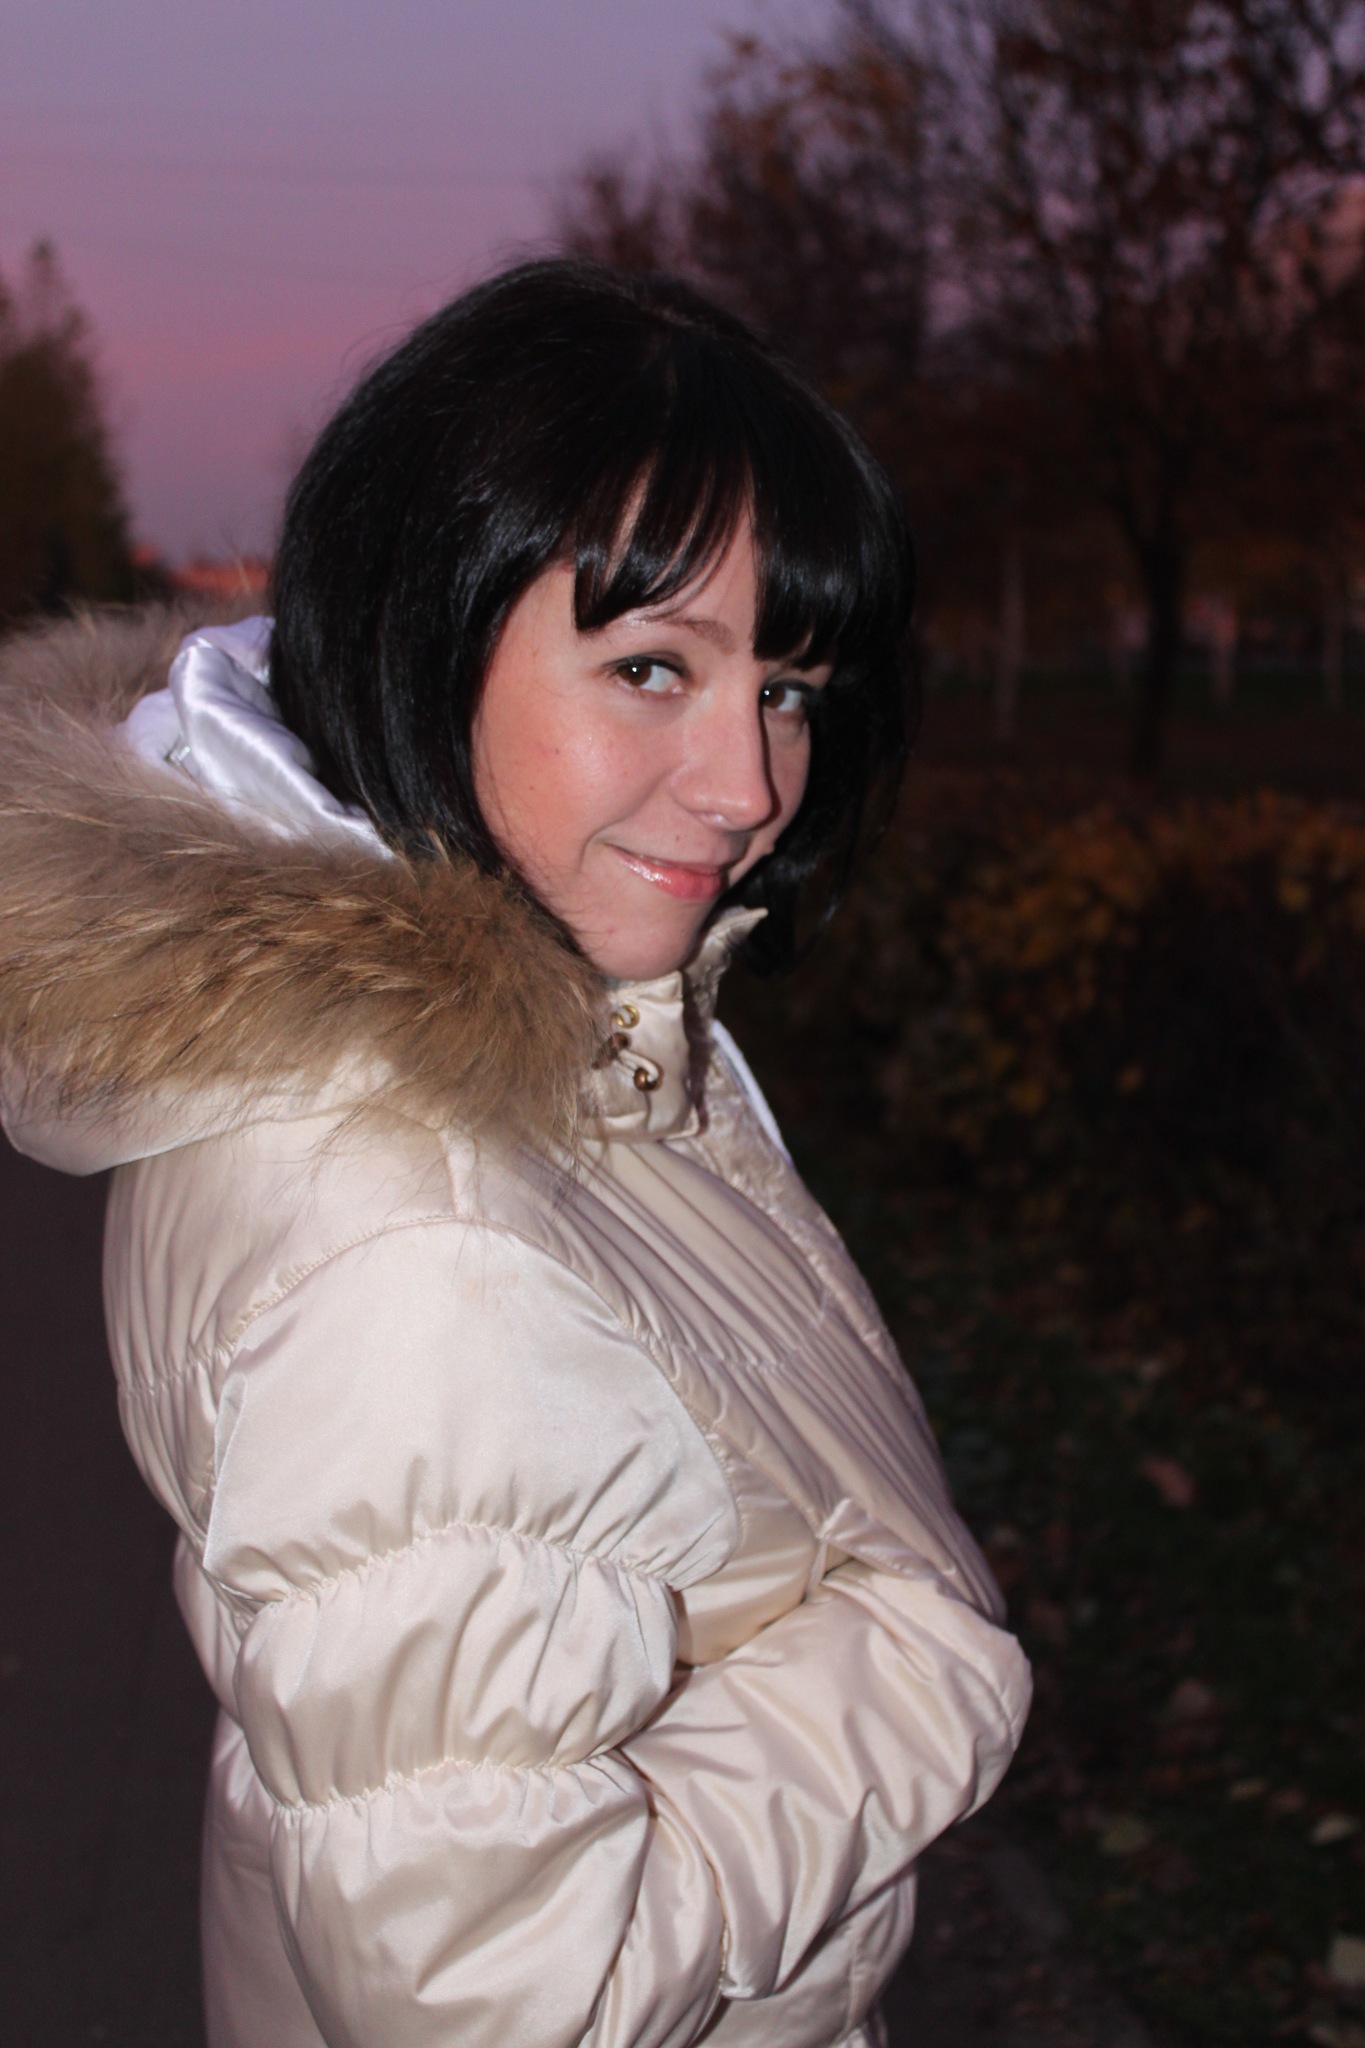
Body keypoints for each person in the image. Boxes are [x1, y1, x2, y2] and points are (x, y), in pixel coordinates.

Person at [0, 260, 1029, 2048]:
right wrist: (924, 1667)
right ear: (427, 628)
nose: (747, 786)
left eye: (788, 687)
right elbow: (490, 1996)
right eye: (650, 667)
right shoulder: (422, 1240)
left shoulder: (522, 1048)